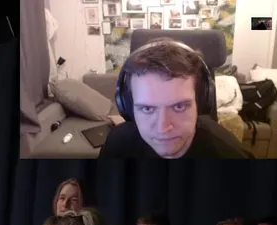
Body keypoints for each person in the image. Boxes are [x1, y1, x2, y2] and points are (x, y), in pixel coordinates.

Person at [99, 40, 251, 159]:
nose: (163, 128)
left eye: (179, 107)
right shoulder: (118, 144)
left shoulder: (228, 153)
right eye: (147, 109)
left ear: (200, 103)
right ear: (128, 106)